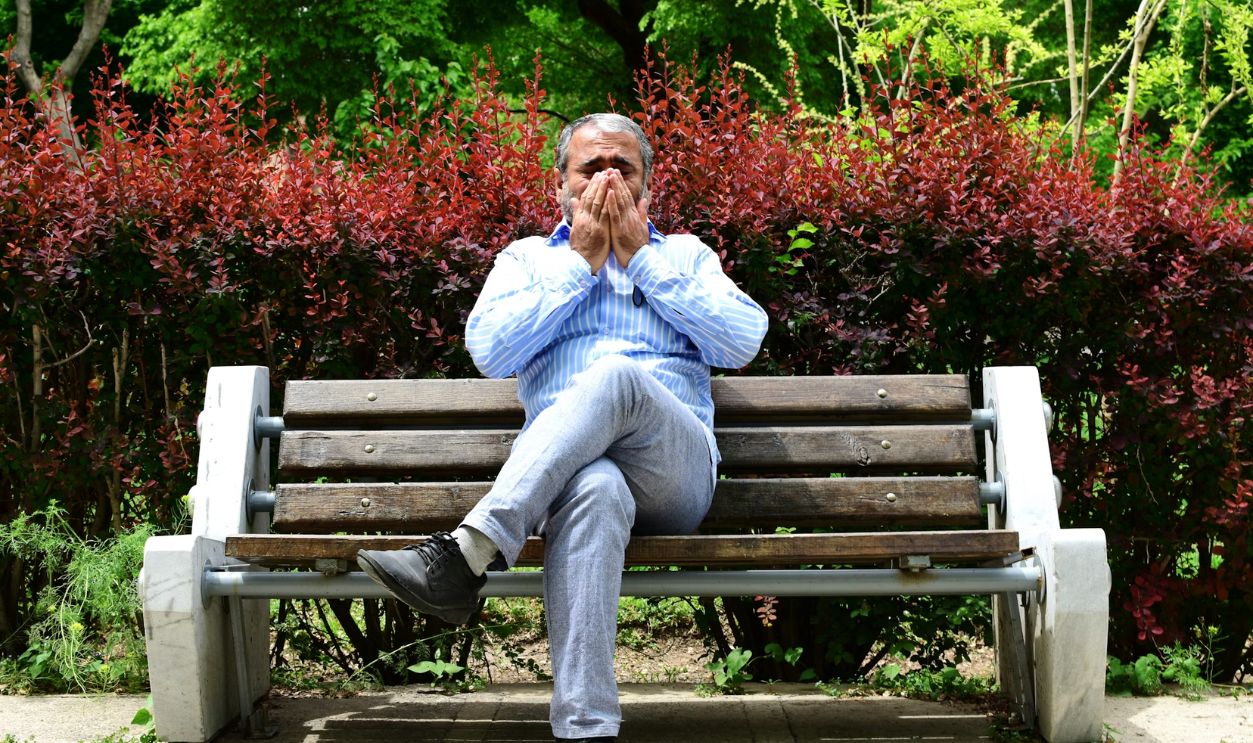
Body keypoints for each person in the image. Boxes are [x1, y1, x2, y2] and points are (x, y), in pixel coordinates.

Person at [357, 113, 768, 742]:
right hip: (567, 480)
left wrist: (642, 261)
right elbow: (491, 353)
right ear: (561, 187)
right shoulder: (526, 260)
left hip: (674, 473)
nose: (607, 180)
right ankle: (586, 728)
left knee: (617, 376)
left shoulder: (685, 255)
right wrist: (579, 263)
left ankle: (468, 553)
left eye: (622, 168)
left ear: (647, 185)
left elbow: (741, 342)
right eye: (590, 168)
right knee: (595, 487)